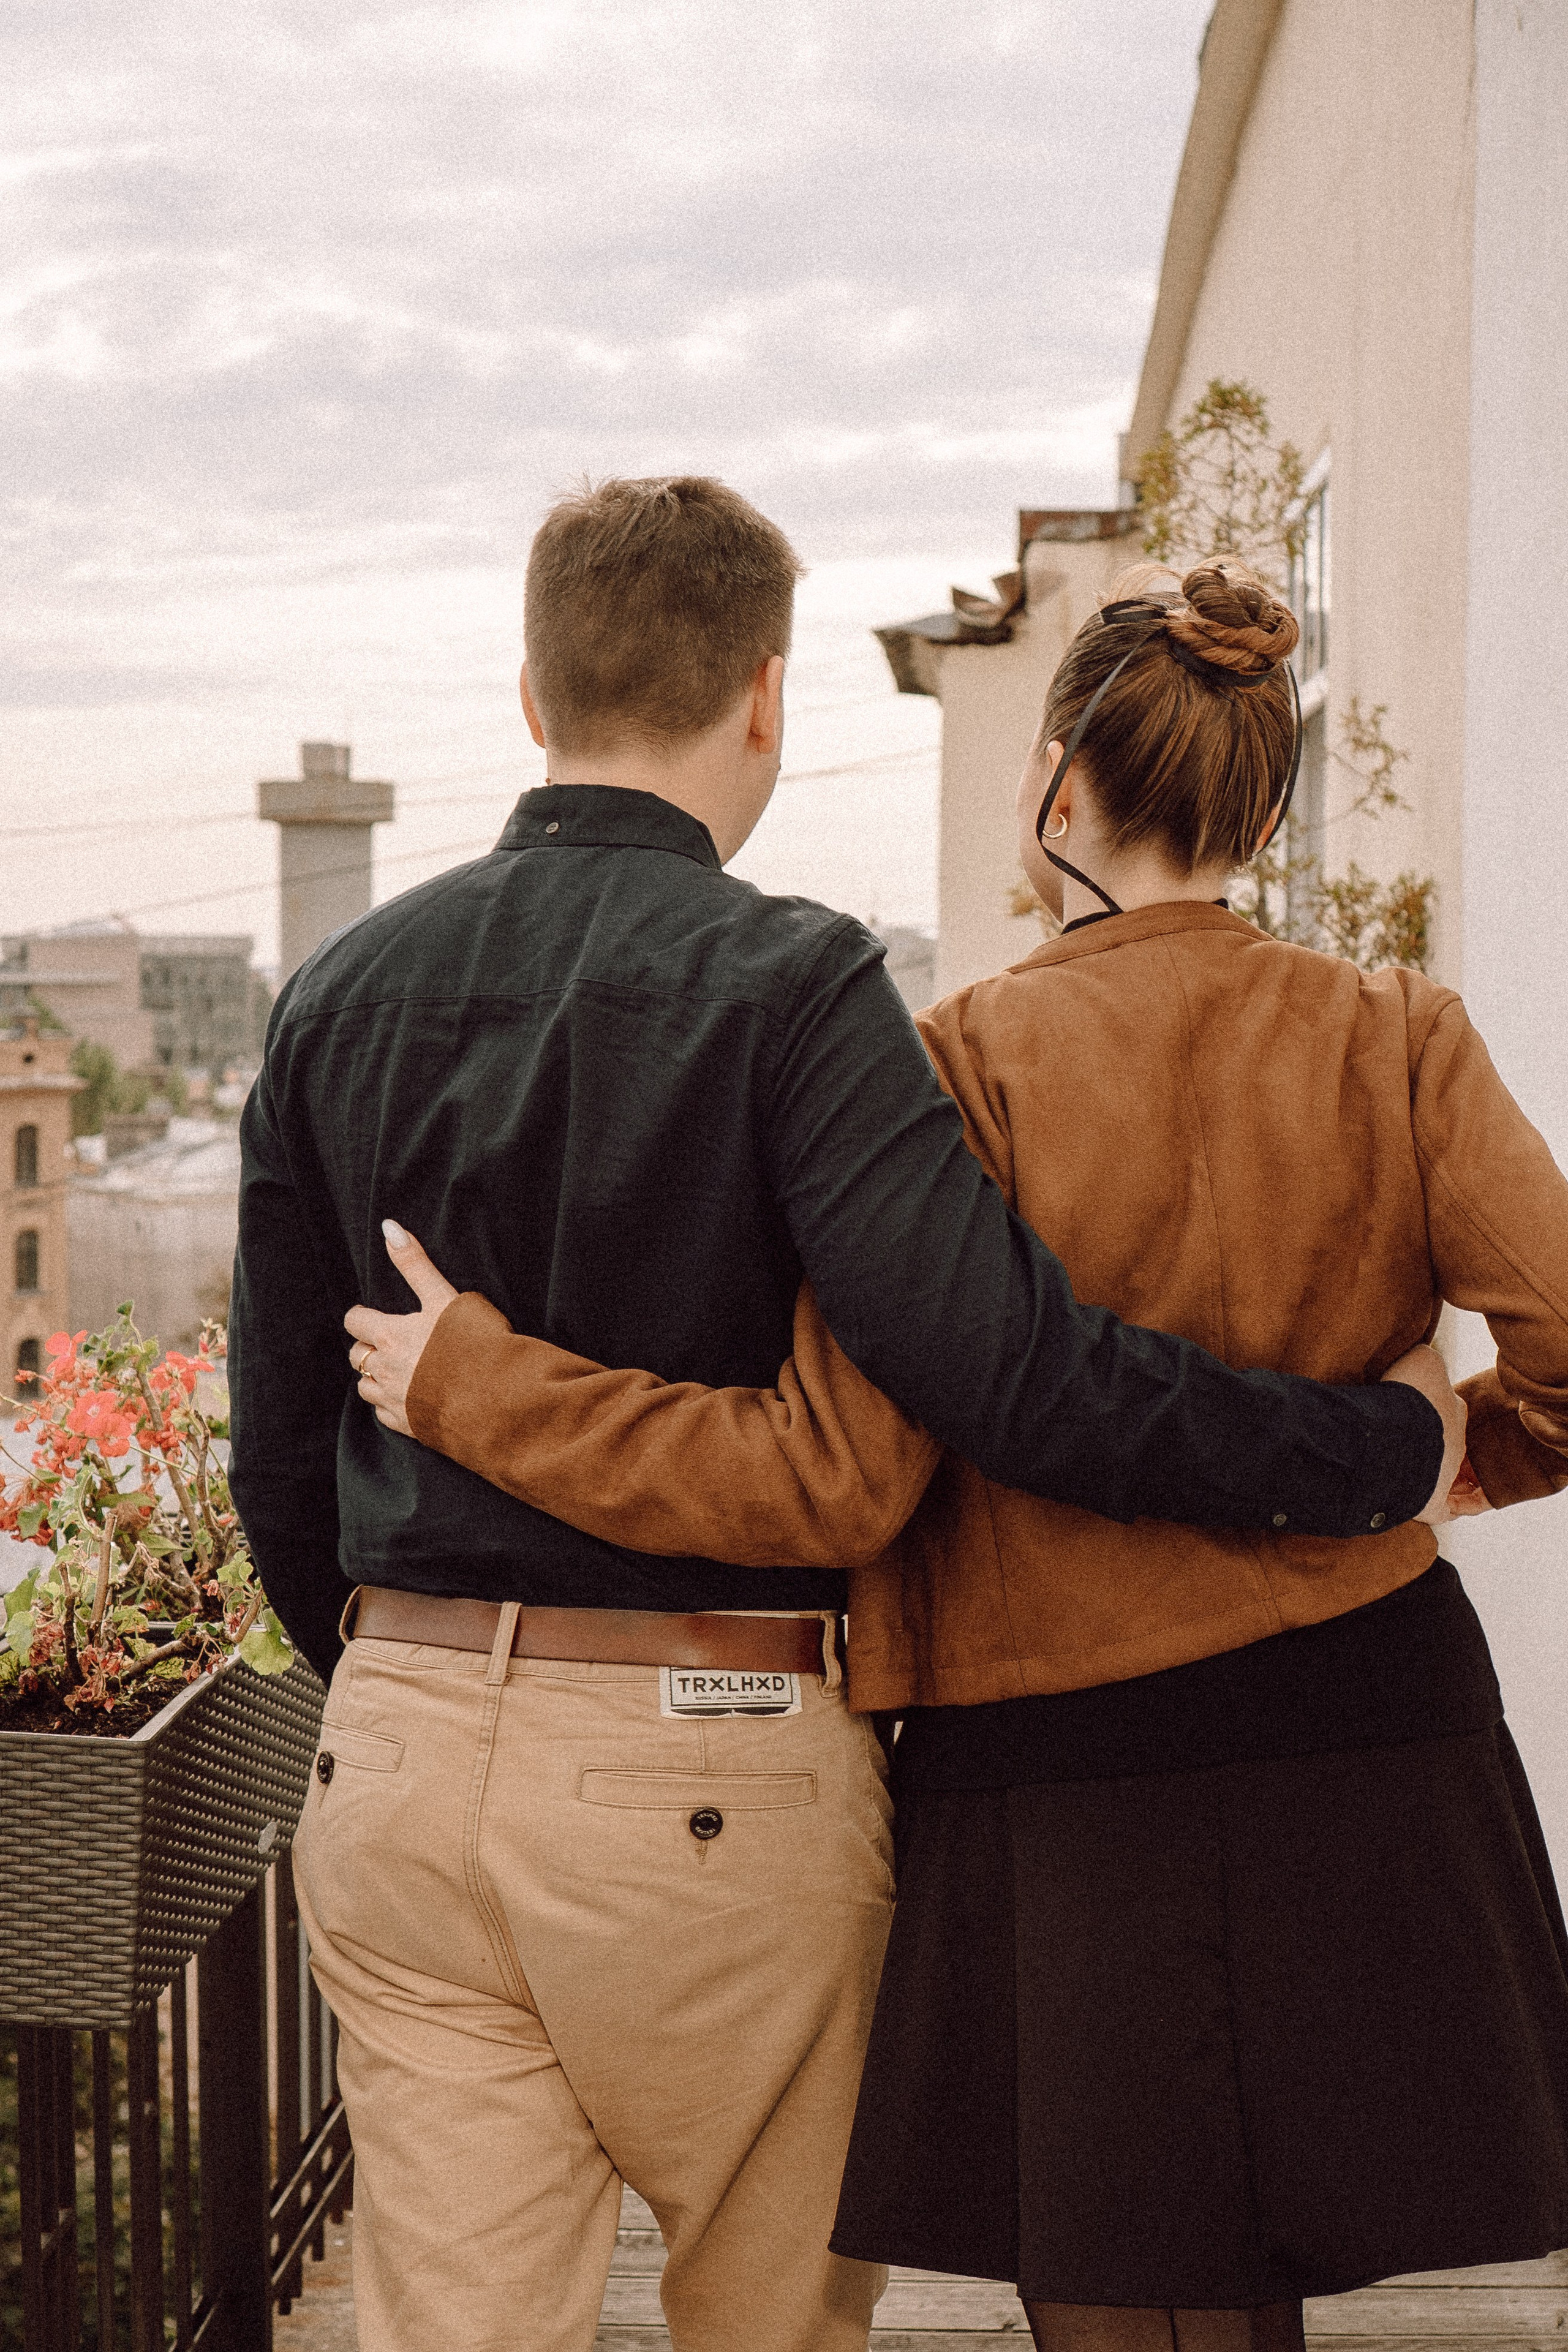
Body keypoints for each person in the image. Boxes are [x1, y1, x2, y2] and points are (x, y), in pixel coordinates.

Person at [230, 484, 1455, 2352]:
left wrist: (421, 1686)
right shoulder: (799, 990)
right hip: (710, 1777)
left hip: (397, 1760)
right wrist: (1378, 1453)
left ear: (535, 695)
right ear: (768, 697)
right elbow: (1012, 1377)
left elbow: (274, 1454)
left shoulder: (331, 1000)